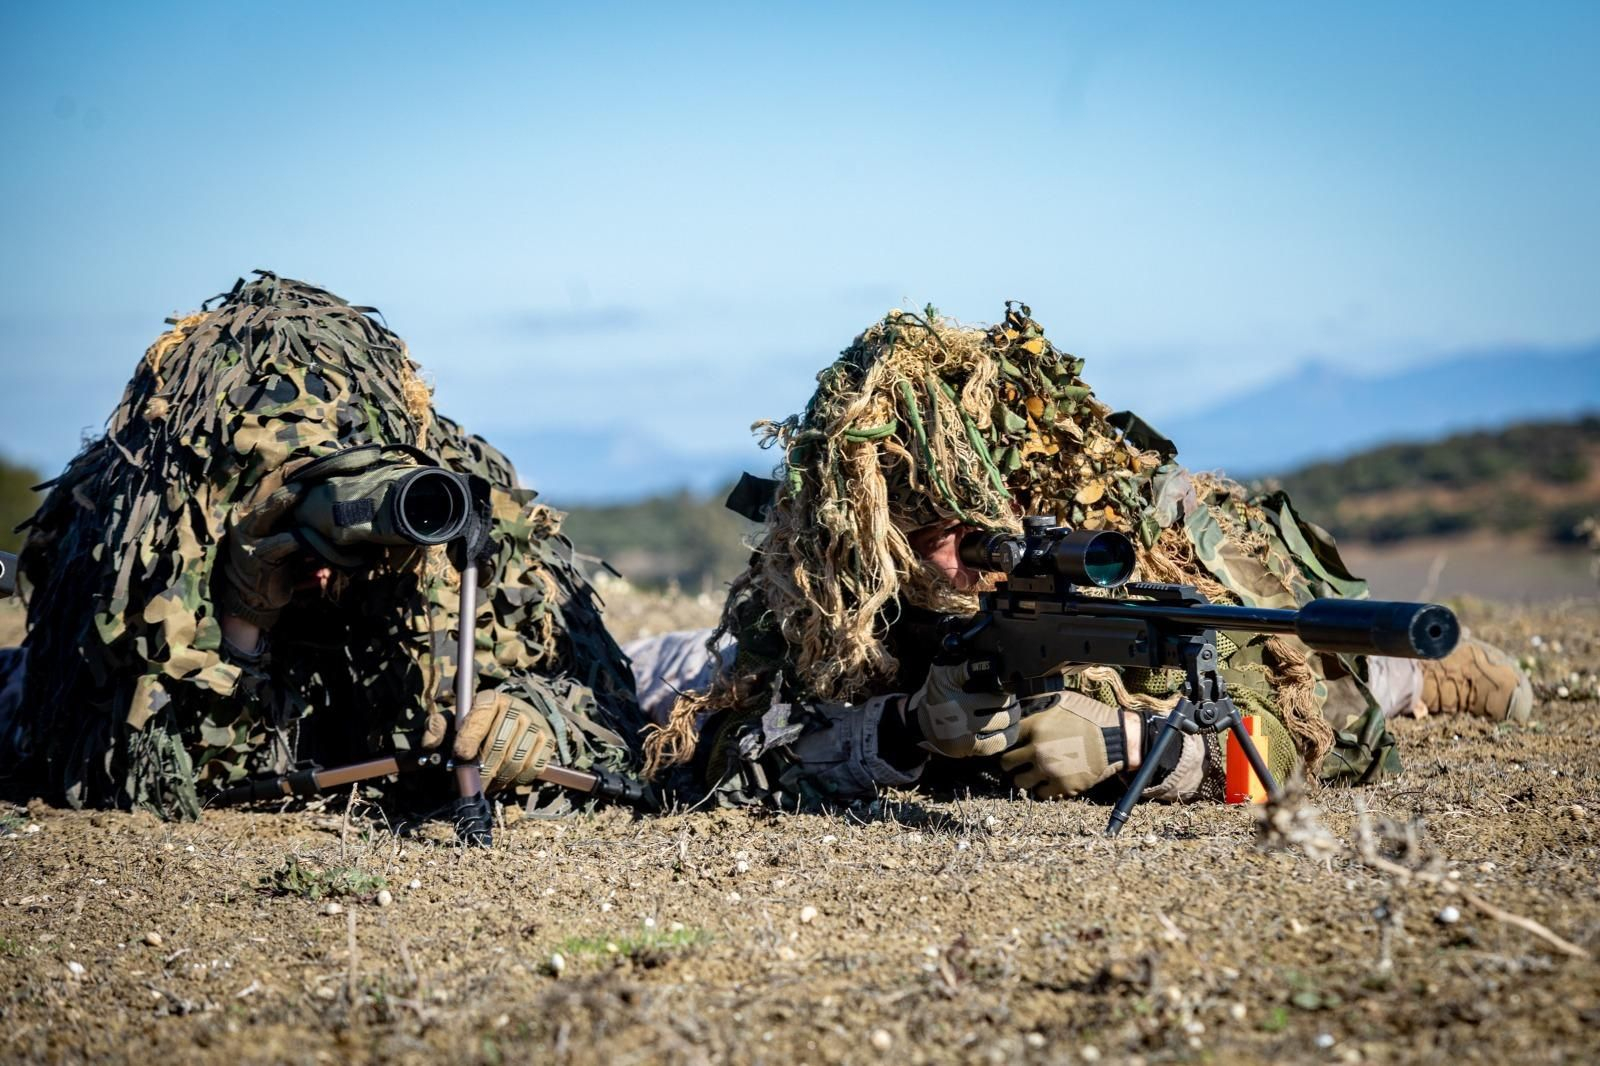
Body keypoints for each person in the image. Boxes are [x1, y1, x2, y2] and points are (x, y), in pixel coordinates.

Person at [630, 303, 1532, 809]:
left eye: (981, 525)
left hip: (1259, 644)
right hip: (804, 656)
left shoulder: (1134, 546)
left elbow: (1284, 736)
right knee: (668, 676)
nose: (970, 557)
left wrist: (1124, 743)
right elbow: (734, 749)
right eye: (931, 534)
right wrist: (905, 729)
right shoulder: (828, 580)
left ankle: (1426, 674)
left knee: (1342, 679)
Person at [0, 273, 646, 820]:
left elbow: (613, 715)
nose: (327, 562)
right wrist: (243, 626)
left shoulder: (453, 499)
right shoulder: (142, 532)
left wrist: (533, 721)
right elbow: (134, 781)